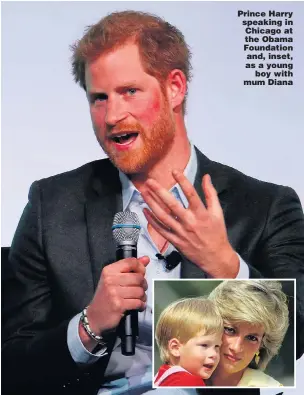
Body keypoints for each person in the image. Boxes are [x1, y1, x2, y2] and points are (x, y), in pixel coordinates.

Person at [2, 9, 304, 395]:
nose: (112, 115)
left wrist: (226, 265)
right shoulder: (51, 205)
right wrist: (90, 324)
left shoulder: (266, 205)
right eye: (99, 98)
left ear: (175, 87)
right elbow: (10, 364)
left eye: (129, 91)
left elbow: (296, 336)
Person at [207, 280, 289, 387]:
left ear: (261, 346)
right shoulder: (181, 373)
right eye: (230, 330)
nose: (236, 348)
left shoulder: (272, 389)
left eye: (251, 338)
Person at [154, 298, 223, 387]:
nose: (214, 354)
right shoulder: (189, 383)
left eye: (217, 346)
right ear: (175, 348)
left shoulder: (162, 375)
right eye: (204, 345)